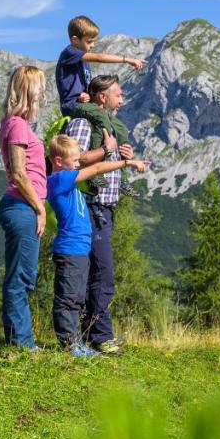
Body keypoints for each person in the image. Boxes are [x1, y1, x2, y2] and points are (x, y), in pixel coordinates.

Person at [45, 134, 149, 355]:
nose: (77, 163)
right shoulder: (58, 180)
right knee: (69, 297)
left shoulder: (69, 181)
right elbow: (96, 169)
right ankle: (68, 344)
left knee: (78, 297)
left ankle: (76, 341)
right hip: (70, 248)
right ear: (57, 160)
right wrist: (128, 162)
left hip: (80, 249)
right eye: (73, 160)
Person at [65, 74, 135, 354]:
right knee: (102, 273)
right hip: (91, 206)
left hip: (105, 207)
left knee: (98, 271)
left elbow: (104, 161)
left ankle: (93, 332)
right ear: (102, 97)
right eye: (118, 94)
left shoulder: (107, 126)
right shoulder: (83, 123)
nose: (122, 99)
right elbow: (74, 158)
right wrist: (107, 150)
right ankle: (100, 335)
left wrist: (123, 156)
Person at [0, 65, 48, 349]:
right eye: (39, 86)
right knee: (21, 277)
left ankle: (21, 340)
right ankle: (22, 343)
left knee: (22, 274)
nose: (43, 92)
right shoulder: (17, 125)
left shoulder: (17, 124)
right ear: (28, 89)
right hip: (22, 207)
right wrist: (40, 208)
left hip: (23, 206)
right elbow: (18, 173)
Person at [56, 15, 145, 116]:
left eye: (94, 41)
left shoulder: (84, 62)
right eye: (89, 42)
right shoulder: (69, 52)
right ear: (75, 40)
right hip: (71, 106)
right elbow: (99, 57)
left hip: (83, 105)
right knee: (101, 117)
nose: (93, 45)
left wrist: (88, 95)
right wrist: (127, 60)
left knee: (116, 125)